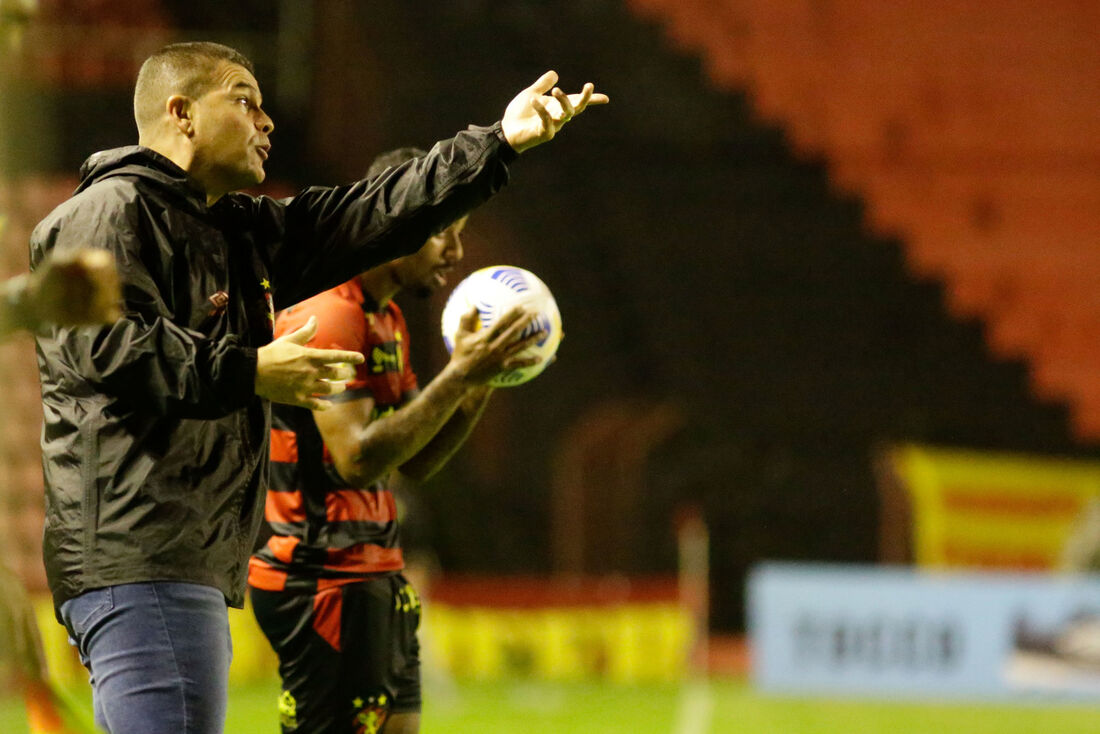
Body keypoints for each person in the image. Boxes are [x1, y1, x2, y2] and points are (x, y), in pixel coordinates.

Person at [30, 41, 607, 734]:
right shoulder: (108, 211)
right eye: (245, 100)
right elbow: (103, 347)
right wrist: (252, 369)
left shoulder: (233, 230)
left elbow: (369, 213)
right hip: (141, 552)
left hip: (178, 555)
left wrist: (499, 143)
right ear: (180, 113)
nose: (267, 122)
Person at [247, 146, 537, 734]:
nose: (455, 253)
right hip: (320, 576)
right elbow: (355, 458)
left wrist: (476, 387)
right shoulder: (329, 313)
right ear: (397, 225)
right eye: (442, 234)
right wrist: (458, 376)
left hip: (373, 568)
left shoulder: (387, 319)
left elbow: (416, 461)